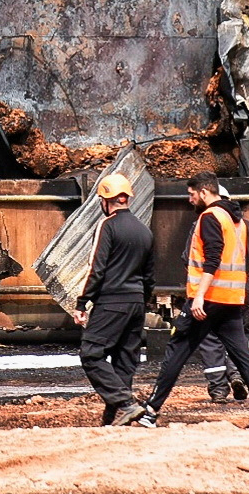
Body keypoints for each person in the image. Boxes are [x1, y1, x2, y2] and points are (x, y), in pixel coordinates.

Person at [139, 171, 249, 429]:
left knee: (177, 351)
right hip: (233, 300)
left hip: (208, 300)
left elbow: (212, 260)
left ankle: (150, 411)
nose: (189, 200)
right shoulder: (239, 223)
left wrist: (199, 296)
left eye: (191, 194)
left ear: (204, 192)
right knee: (242, 356)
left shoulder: (209, 217)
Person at [72, 172, 155, 427]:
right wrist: (142, 301)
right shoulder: (144, 231)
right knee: (125, 360)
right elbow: (150, 275)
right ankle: (114, 418)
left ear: (105, 200)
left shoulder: (107, 226)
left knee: (91, 353)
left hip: (112, 301)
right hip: (136, 303)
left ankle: (126, 404)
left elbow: (96, 267)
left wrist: (81, 302)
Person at [187, 185, 249, 403]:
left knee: (209, 339)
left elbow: (187, 258)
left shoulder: (204, 222)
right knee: (239, 337)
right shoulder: (245, 226)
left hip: (210, 292)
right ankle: (236, 374)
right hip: (240, 292)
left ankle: (218, 388)